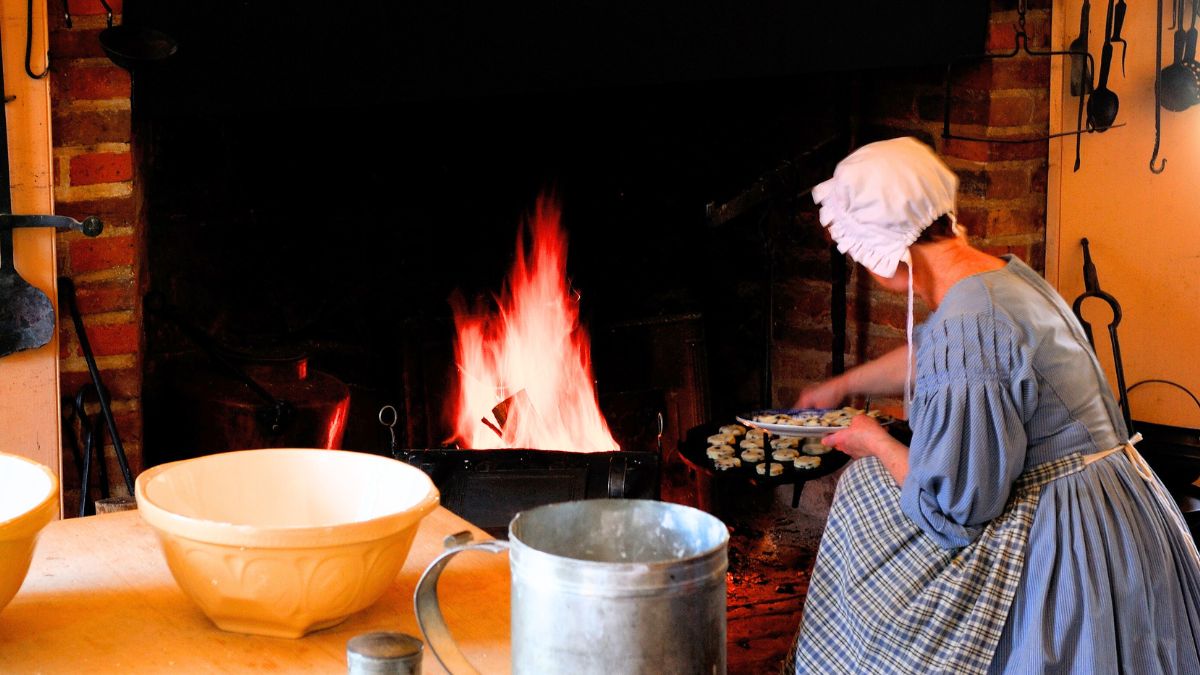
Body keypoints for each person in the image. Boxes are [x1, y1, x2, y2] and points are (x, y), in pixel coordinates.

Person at [785, 137, 1200, 674]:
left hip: (1071, 532)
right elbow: (939, 357)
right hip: (1120, 500)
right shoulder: (1000, 278)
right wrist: (841, 386)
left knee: (862, 491)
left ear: (886, 254)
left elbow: (954, 511)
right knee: (869, 486)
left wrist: (873, 441)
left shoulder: (969, 326)